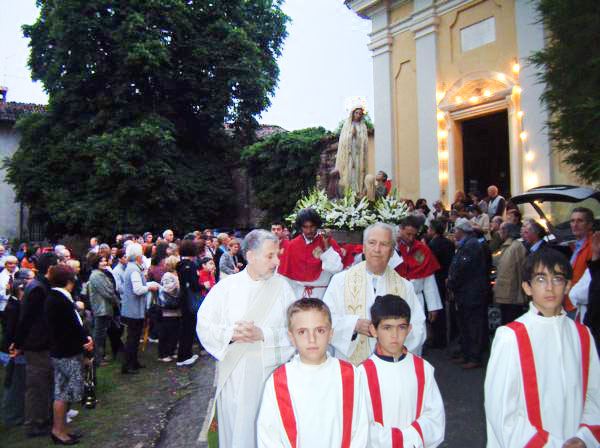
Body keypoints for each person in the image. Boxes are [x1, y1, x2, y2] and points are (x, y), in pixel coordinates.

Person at [484, 249, 600, 447]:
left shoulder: (582, 335)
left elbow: (594, 395)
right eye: (540, 279)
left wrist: (583, 437)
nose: (549, 287)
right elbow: (502, 411)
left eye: (557, 279)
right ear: (527, 288)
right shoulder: (511, 337)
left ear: (567, 286)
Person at [196, 230, 297, 447]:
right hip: (236, 377)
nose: (276, 261)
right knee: (239, 432)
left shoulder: (284, 288)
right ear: (250, 256)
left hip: (271, 376)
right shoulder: (226, 288)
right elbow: (204, 325)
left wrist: (264, 335)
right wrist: (230, 334)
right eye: (270, 256)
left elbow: (296, 331)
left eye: (277, 255)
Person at [257, 298, 368, 447]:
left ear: (330, 334)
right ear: (292, 338)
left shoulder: (350, 376)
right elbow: (268, 436)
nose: (312, 339)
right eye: (302, 332)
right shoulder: (279, 381)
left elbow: (360, 431)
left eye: (320, 330)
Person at [323, 222, 426, 365]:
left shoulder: (405, 287)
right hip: (351, 366)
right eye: (372, 243)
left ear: (391, 251)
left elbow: (418, 327)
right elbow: (325, 320)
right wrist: (353, 325)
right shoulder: (340, 281)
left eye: (384, 244)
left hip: (390, 367)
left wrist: (394, 338)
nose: (377, 249)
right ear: (364, 248)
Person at [358, 295, 445, 447]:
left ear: (409, 329)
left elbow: (435, 416)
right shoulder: (362, 374)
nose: (395, 335)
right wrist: (397, 441)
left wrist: (408, 438)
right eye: (387, 328)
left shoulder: (423, 369)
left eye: (401, 327)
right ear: (373, 330)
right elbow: (360, 425)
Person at [45, 264, 94, 445]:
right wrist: (84, 342)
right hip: (66, 352)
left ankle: (62, 429)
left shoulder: (57, 297)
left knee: (63, 392)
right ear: (69, 280)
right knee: (64, 393)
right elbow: (69, 326)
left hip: (63, 350)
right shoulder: (58, 299)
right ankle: (58, 431)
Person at [11, 253, 58, 437]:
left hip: (40, 341)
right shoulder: (38, 288)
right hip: (36, 343)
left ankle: (43, 419)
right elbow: (27, 318)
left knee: (43, 383)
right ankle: (34, 424)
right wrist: (19, 342)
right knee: (37, 384)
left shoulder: (41, 285)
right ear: (50, 268)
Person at [447, 218, 489, 369]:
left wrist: (452, 282)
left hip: (471, 292)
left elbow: (463, 268)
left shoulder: (471, 246)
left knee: (472, 326)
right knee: (464, 324)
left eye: (456, 230)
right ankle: (466, 353)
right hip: (465, 292)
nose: (454, 233)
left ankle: (474, 356)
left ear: (461, 231)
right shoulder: (467, 244)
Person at [278, 208, 343, 300]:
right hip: (299, 296)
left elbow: (337, 269)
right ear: (300, 227)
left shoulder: (328, 242)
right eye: (305, 227)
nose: (309, 231)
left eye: (312, 226)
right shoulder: (292, 245)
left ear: (317, 225)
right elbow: (285, 278)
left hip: (324, 296)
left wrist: (327, 247)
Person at [392, 216, 443, 331]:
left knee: (417, 331)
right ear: (400, 230)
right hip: (395, 298)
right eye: (408, 234)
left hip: (416, 298)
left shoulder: (422, 250)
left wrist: (432, 307)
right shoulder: (392, 246)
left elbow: (429, 280)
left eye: (414, 235)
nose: (410, 238)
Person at [0, 270, 34, 426]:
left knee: (19, 382)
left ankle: (19, 413)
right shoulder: (14, 308)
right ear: (20, 290)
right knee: (15, 383)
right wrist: (15, 347)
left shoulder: (16, 305)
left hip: (17, 349)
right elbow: (12, 331)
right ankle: (12, 417)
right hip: (15, 351)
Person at [120, 243, 159, 375]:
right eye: (141, 254)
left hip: (132, 309)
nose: (142, 256)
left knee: (135, 337)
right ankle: (128, 365)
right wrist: (149, 287)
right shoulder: (134, 270)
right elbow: (137, 290)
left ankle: (133, 362)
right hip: (133, 310)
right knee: (132, 338)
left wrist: (147, 284)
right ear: (137, 256)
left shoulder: (132, 268)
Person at [427, 219, 455, 348]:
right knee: (443, 308)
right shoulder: (449, 243)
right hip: (445, 276)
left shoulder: (433, 244)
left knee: (435, 307)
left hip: (436, 277)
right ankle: (444, 337)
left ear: (433, 230)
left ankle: (437, 339)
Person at [87, 253, 119, 368]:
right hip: (101, 309)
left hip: (104, 308)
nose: (104, 263)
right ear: (96, 263)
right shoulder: (96, 276)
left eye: (105, 260)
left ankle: (98, 358)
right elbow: (107, 292)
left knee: (101, 335)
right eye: (101, 261)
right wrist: (116, 300)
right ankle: (96, 359)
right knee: (98, 336)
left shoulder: (101, 274)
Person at [493, 223, 528, 325]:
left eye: (500, 230)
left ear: (506, 231)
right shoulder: (507, 247)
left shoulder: (516, 247)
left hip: (512, 296)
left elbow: (521, 271)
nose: (499, 233)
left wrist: (521, 293)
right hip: (506, 294)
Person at [175, 240, 201, 367]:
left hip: (184, 299)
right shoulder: (189, 266)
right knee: (188, 328)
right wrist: (202, 285)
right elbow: (194, 285)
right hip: (189, 300)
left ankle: (186, 353)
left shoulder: (180, 264)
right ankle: (184, 356)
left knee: (186, 327)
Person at [567, 207, 594, 319]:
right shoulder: (577, 246)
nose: (575, 224)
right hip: (571, 304)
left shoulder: (594, 246)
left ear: (590, 225)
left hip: (583, 306)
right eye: (572, 221)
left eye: (580, 221)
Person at [335, 104, 368, 192]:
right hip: (348, 154)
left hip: (358, 155)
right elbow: (342, 141)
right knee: (348, 172)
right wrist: (350, 136)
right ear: (353, 113)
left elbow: (364, 141)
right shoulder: (347, 125)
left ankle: (358, 192)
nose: (358, 115)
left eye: (360, 114)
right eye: (356, 113)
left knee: (357, 173)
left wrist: (357, 136)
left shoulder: (363, 126)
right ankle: (346, 192)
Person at [157, 255, 181, 363]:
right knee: (166, 331)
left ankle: (171, 351)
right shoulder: (168, 276)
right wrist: (178, 283)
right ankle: (163, 353)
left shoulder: (176, 274)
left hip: (176, 309)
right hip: (167, 309)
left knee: (174, 332)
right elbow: (168, 289)